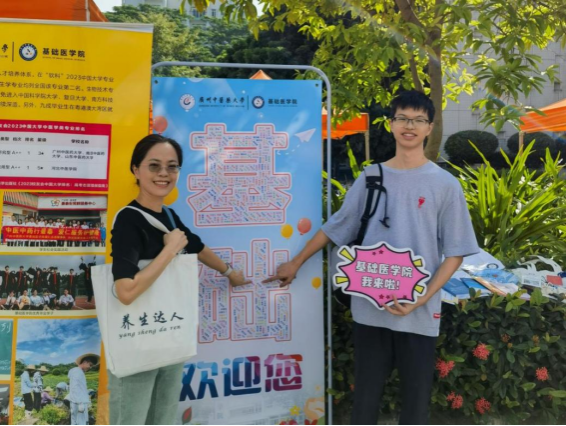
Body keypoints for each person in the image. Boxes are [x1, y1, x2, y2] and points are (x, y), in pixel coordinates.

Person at [265, 91, 480, 425]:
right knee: (365, 401)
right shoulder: (371, 177)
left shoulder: (445, 185)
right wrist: (296, 262)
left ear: (429, 127)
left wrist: (422, 298)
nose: (410, 126)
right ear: (391, 124)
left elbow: (455, 253)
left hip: (418, 313)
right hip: (369, 310)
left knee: (416, 405)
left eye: (418, 120)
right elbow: (337, 227)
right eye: (402, 118)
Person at [109, 134, 251, 425]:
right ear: (136, 169)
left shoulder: (170, 216)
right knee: (131, 419)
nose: (163, 173)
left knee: (162, 418)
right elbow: (125, 291)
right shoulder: (128, 220)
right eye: (154, 165)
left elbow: (197, 247)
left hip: (170, 335)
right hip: (137, 340)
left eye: (172, 166)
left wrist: (229, 273)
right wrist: (170, 249)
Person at [68, 354, 99, 426]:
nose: (90, 367)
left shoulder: (76, 371)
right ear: (85, 362)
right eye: (90, 365)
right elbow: (75, 388)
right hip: (79, 402)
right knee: (81, 422)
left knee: (75, 421)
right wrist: (80, 403)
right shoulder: (77, 372)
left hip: (76, 401)